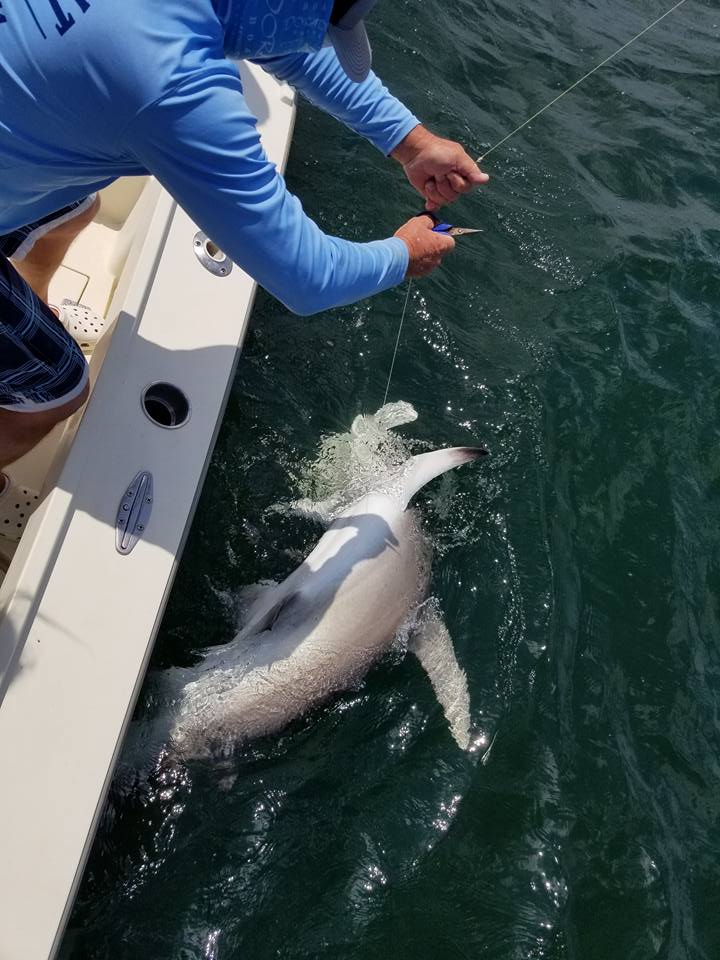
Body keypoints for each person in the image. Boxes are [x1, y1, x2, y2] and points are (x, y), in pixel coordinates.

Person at [0, 0, 488, 536]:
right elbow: (307, 276)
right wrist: (404, 255)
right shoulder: (171, 82)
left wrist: (412, 143)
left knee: (77, 206)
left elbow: (279, 44)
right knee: (54, 389)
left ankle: (32, 305)